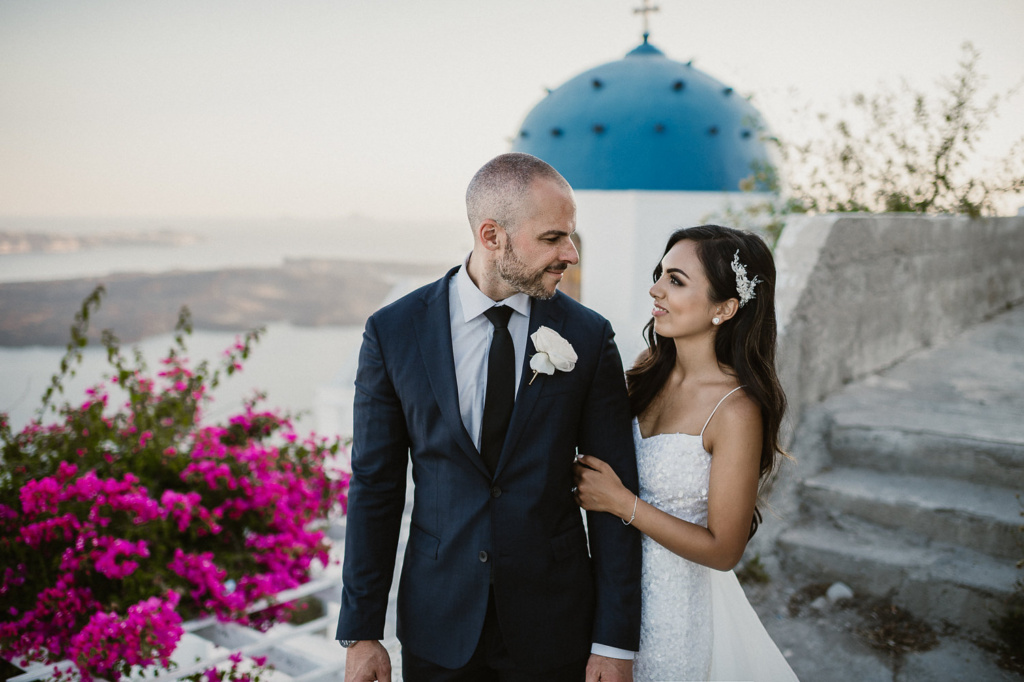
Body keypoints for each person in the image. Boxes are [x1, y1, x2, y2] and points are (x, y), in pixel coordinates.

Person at [336, 152, 642, 681]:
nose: (570, 253)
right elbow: (375, 486)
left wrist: (614, 641)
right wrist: (362, 631)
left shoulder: (590, 337)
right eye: (552, 238)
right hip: (438, 624)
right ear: (492, 235)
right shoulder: (393, 331)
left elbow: (614, 492)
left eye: (570, 236)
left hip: (555, 626)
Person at [574, 225, 799, 681]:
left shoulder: (735, 410)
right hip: (610, 601)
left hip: (673, 618)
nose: (655, 289)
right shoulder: (643, 373)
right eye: (661, 274)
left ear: (725, 308)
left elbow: (724, 549)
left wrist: (622, 503)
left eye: (676, 280)